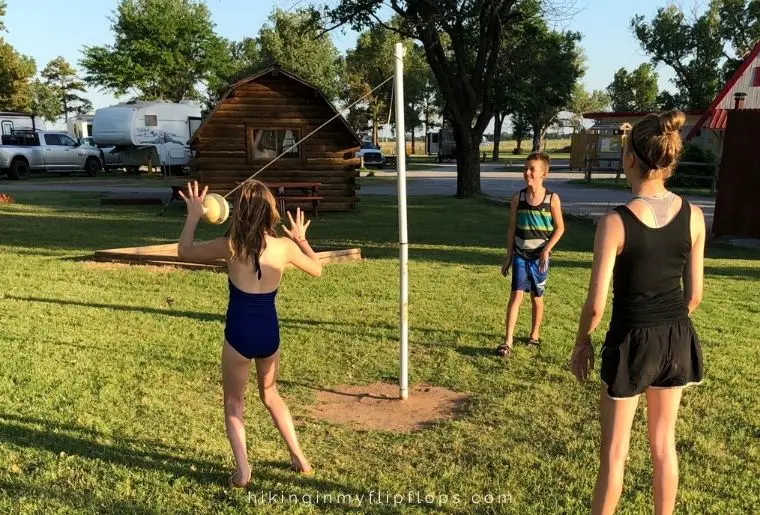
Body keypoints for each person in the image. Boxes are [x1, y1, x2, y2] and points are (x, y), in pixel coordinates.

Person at [570, 111, 705, 515]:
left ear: (629, 158)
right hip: (677, 337)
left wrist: (582, 343)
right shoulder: (694, 216)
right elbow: (694, 295)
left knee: (614, 454)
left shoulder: (615, 223)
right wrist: (667, 323)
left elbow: (596, 305)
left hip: (631, 342)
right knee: (664, 445)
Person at [177, 180, 322, 488]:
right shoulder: (284, 248)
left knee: (233, 403)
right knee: (271, 394)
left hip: (239, 334)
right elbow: (317, 269)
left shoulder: (229, 245)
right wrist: (301, 240)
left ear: (238, 211)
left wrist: (192, 215)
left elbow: (185, 252)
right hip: (269, 334)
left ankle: (243, 471)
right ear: (271, 212)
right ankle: (300, 458)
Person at [498, 152, 565, 358]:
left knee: (537, 298)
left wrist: (546, 250)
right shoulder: (518, 198)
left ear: (544, 173)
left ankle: (534, 335)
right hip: (520, 254)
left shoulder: (551, 199)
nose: (527, 172)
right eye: (525, 168)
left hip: (539, 259)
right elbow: (511, 228)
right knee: (516, 295)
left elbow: (560, 228)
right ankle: (508, 340)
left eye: (532, 169)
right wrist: (509, 255)